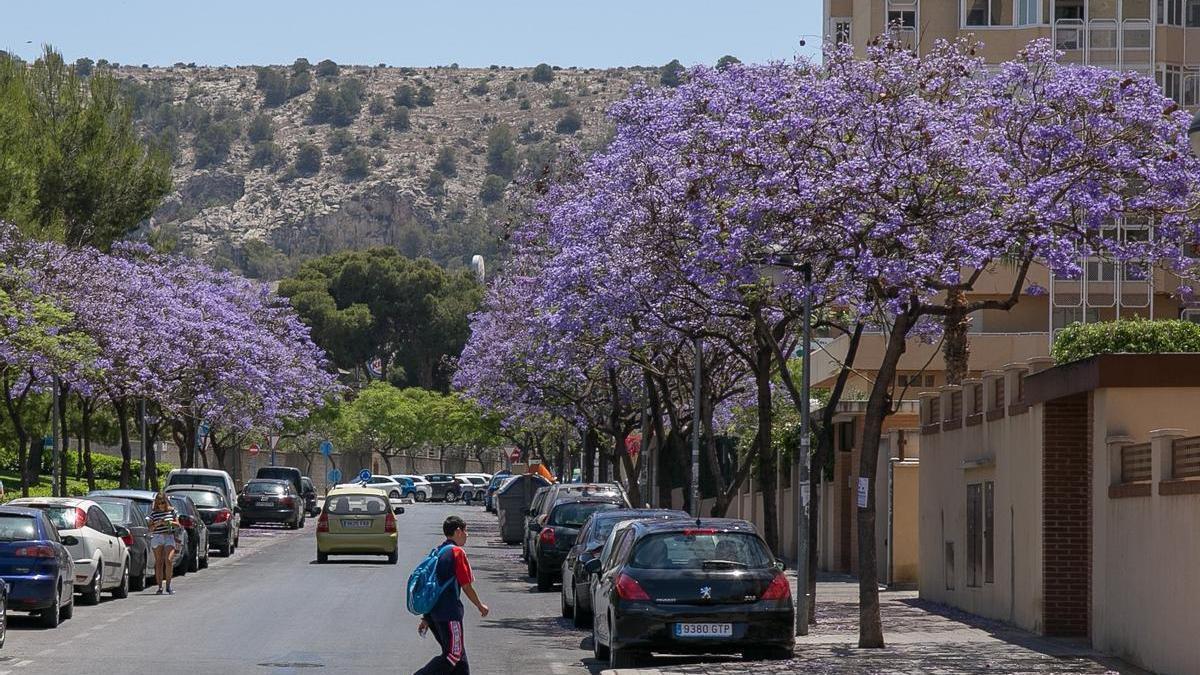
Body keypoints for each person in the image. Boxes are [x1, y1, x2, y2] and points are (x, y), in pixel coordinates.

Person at [415, 515, 489, 675]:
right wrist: (479, 605)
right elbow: (466, 585)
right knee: (453, 655)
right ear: (458, 531)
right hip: (449, 614)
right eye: (465, 531)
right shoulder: (457, 553)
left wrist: (427, 617)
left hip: (435, 613)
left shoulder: (439, 551)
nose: (467, 535)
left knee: (459, 659)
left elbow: (433, 586)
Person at [148, 491, 179, 595]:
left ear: (166, 502)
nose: (161, 505)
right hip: (157, 537)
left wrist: (169, 522)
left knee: (169, 560)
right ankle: (160, 587)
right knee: (159, 562)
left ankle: (169, 586)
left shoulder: (172, 511)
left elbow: (178, 524)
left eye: (162, 502)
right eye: (159, 503)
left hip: (169, 536)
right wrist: (158, 523)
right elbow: (150, 529)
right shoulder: (154, 514)